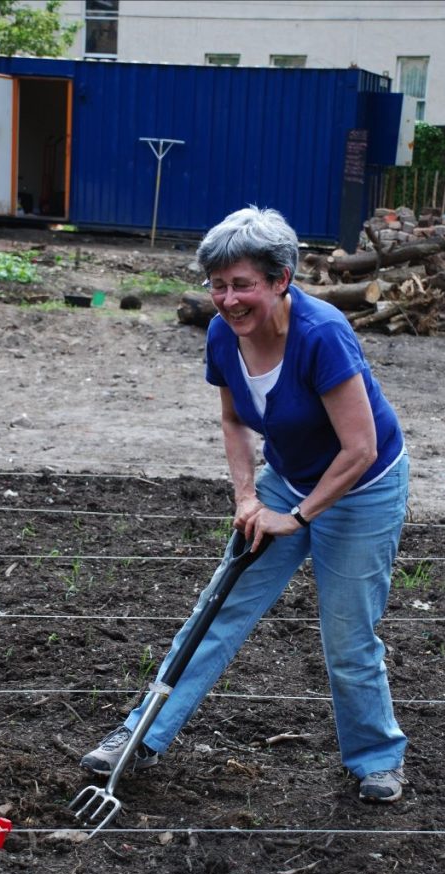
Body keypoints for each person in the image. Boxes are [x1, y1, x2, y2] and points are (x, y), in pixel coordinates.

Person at [81, 206, 409, 803]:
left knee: (347, 634)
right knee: (221, 606)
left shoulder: (321, 334)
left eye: (242, 285)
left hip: (362, 490)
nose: (228, 299)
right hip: (287, 478)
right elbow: (235, 421)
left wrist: (299, 516)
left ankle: (376, 758)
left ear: (281, 279)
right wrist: (248, 497)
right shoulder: (223, 336)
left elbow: (359, 449)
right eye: (218, 285)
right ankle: (137, 736)